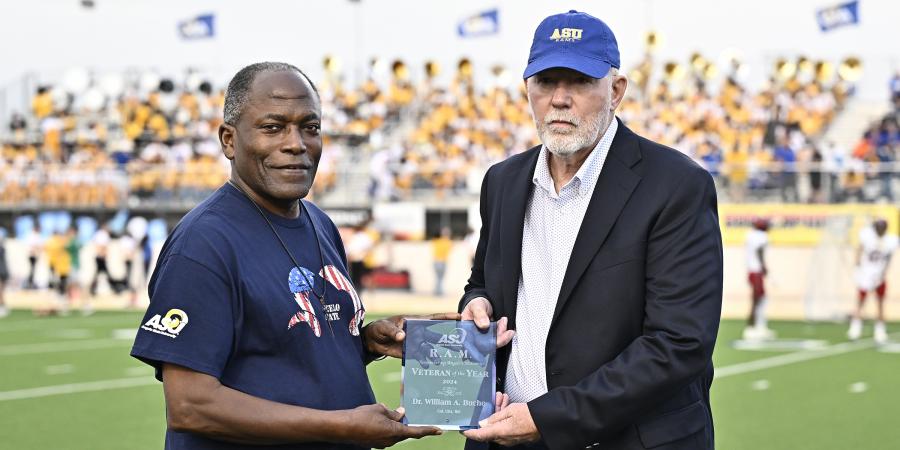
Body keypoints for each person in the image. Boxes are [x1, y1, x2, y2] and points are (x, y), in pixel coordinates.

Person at [130, 62, 445, 450]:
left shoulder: (320, 222)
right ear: (229, 140)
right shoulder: (204, 242)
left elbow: (286, 356)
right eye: (273, 127)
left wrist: (366, 343)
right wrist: (342, 426)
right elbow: (191, 406)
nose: (296, 143)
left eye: (309, 128)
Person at [460, 11, 723, 450]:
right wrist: (477, 303)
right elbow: (483, 280)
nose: (559, 99)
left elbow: (679, 343)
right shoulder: (502, 181)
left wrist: (548, 418)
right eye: (545, 81)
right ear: (527, 88)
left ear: (616, 91)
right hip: (507, 435)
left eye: (580, 81)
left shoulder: (675, 184)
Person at [848, 219, 898, 344]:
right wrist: (857, 266)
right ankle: (855, 327)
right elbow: (860, 249)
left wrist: (883, 273)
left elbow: (889, 258)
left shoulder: (890, 240)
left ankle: (880, 330)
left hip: (879, 275)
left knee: (880, 303)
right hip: (866, 274)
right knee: (860, 301)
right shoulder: (868, 237)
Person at [743, 218, 774, 341]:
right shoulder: (762, 236)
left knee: (760, 298)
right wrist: (764, 266)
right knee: (757, 299)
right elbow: (759, 250)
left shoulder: (750, 235)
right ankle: (753, 326)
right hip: (756, 270)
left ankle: (758, 325)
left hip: (751, 270)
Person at [89, 223, 112, 296]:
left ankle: (97, 289)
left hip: (99, 257)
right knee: (99, 274)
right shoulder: (103, 234)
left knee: (101, 275)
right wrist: (103, 255)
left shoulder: (98, 234)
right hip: (100, 258)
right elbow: (101, 246)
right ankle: (95, 289)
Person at [431, 227, 452, 296]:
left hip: (439, 261)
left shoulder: (438, 241)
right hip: (440, 261)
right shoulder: (445, 241)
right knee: (440, 277)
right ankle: (439, 291)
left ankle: (437, 290)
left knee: (439, 277)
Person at [0, 229, 9, 318]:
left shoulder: (1, 249)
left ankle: (2, 307)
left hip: (1, 271)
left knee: (1, 291)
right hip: (3, 271)